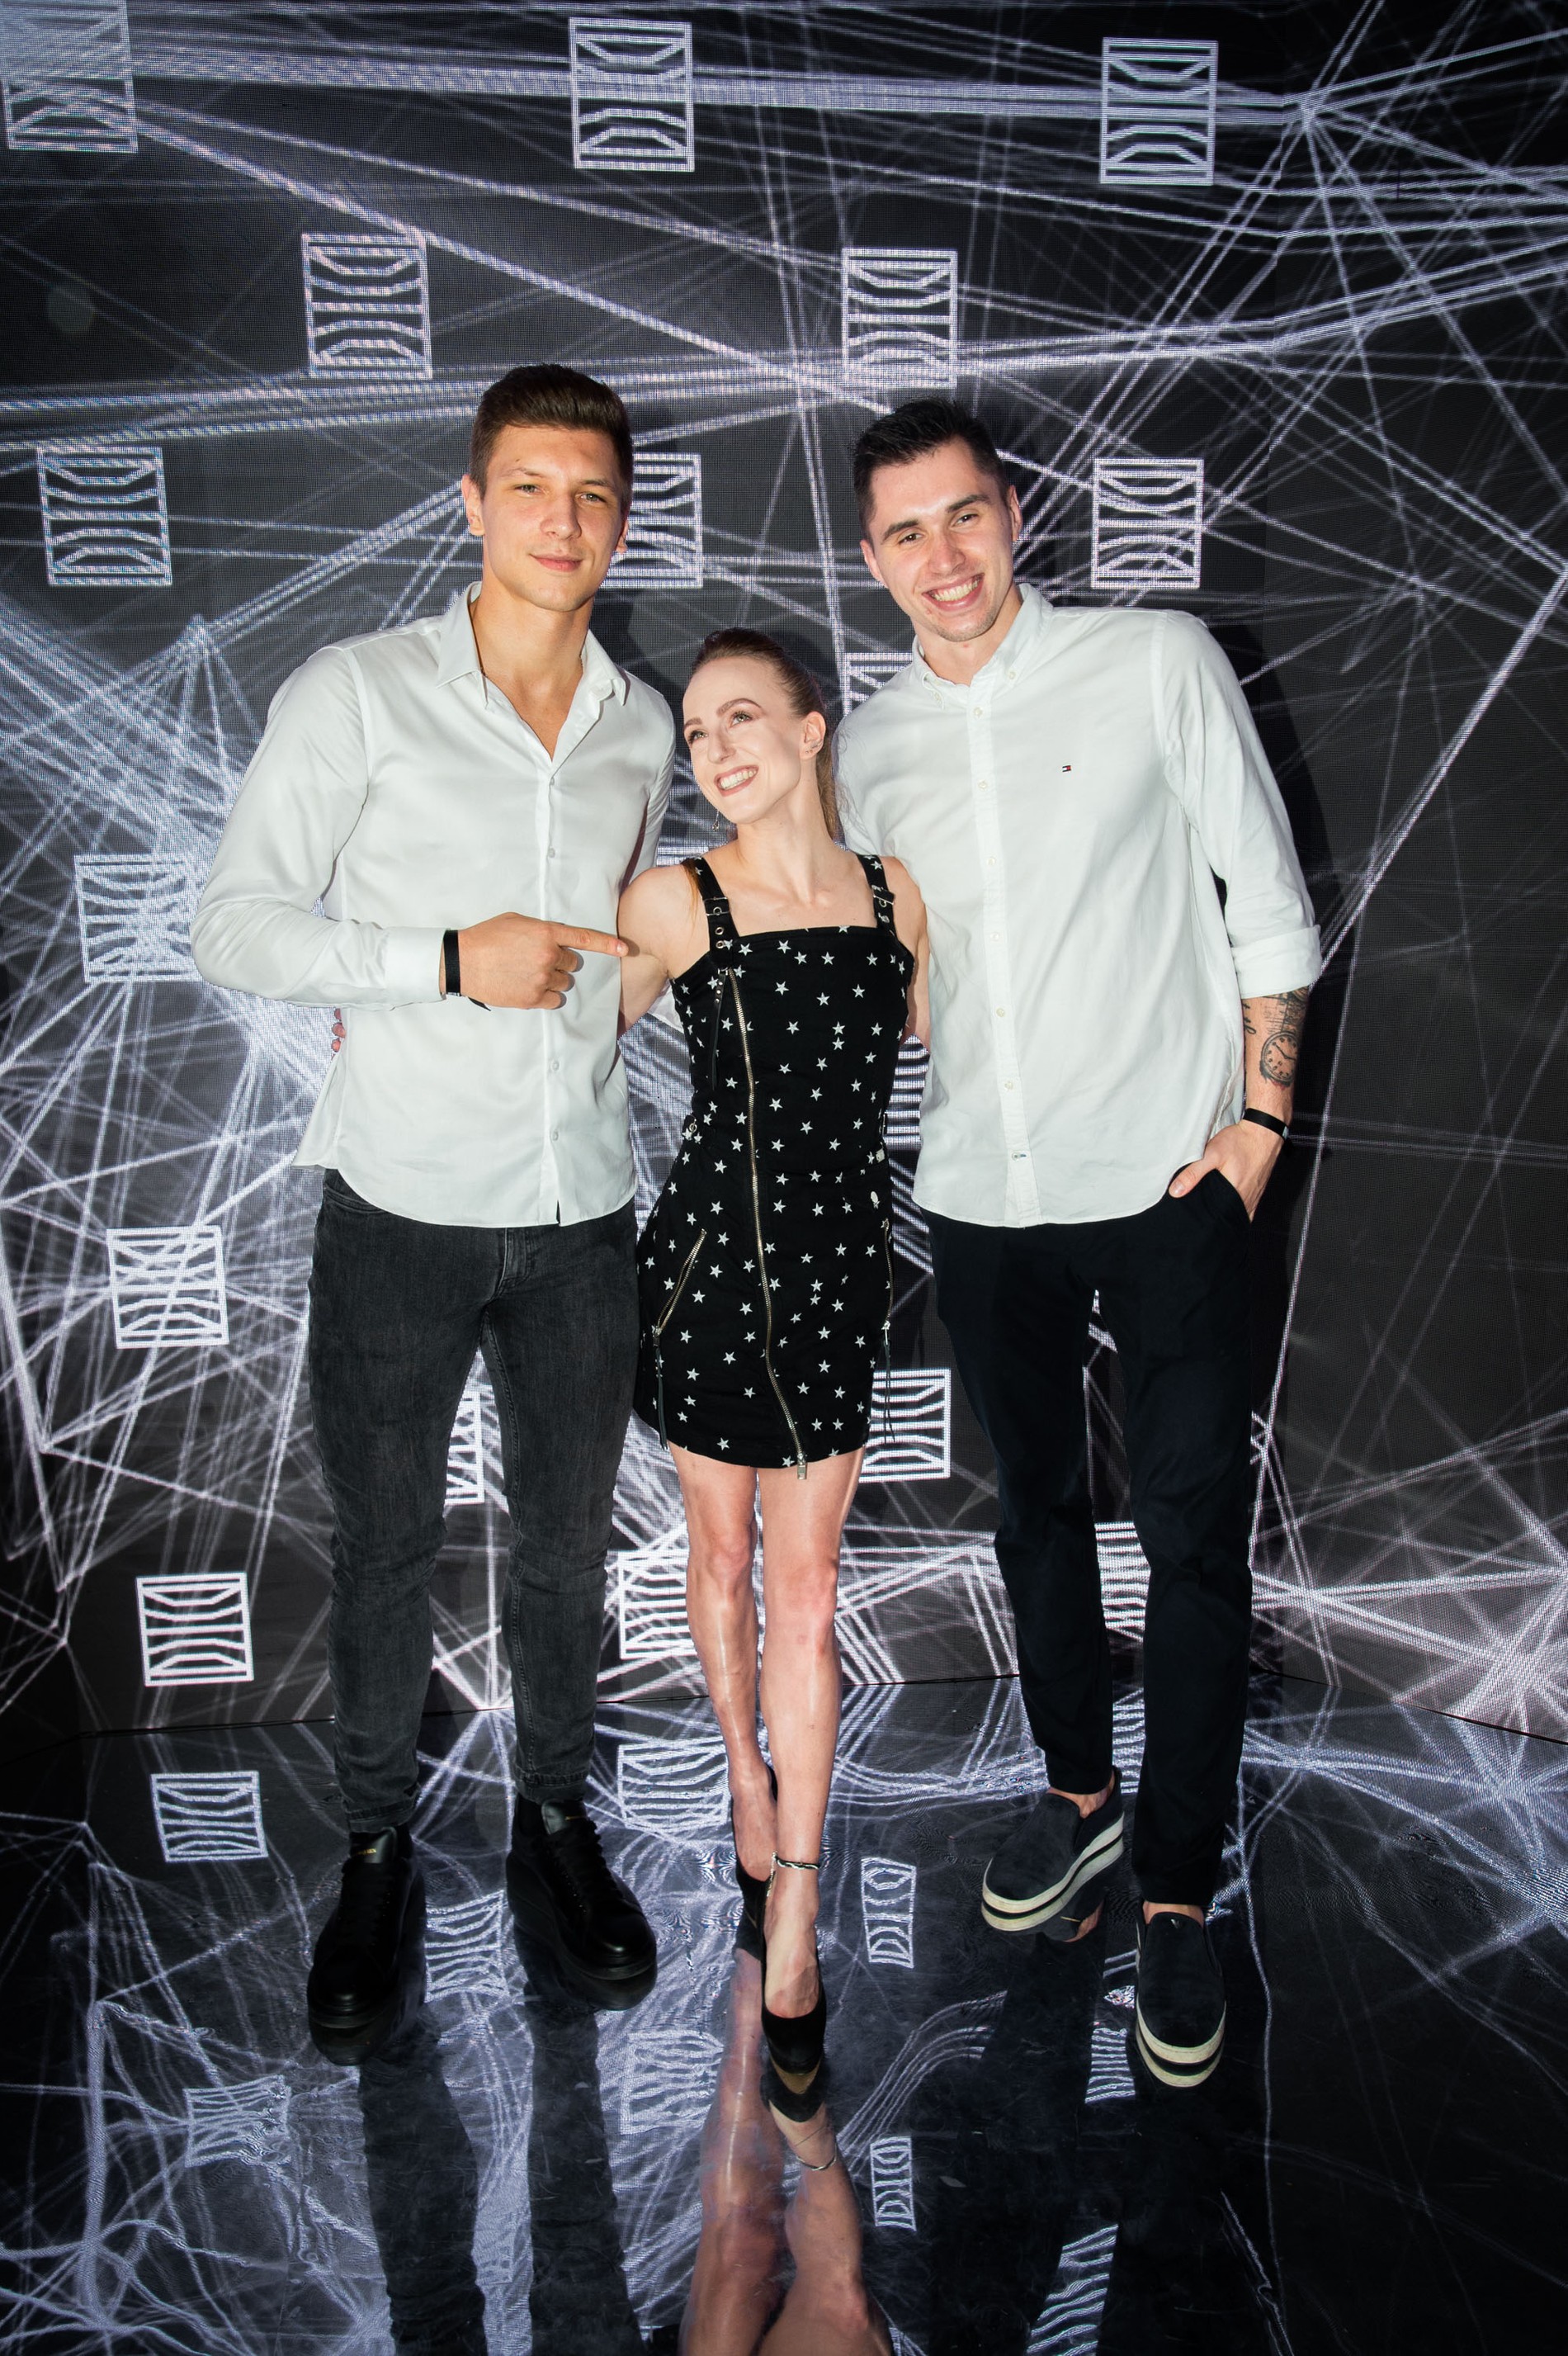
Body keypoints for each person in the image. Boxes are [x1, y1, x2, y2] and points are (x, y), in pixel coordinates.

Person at [835, 396, 1320, 2090]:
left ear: (1015, 513)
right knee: (1033, 1515)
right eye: (906, 532)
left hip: (1172, 1177)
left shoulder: (1153, 663)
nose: (943, 556)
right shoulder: (867, 748)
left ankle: (1176, 1887)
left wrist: (1256, 1131)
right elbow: (899, 980)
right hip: (982, 1191)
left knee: (1188, 1538)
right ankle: (1077, 1795)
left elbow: (1268, 906)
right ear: (872, 556)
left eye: (964, 515)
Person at [191, 364, 674, 2041]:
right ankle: (376, 1851)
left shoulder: (642, 724)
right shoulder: (358, 691)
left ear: (622, 521)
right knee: (386, 1546)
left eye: (591, 494)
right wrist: (444, 959)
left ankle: (554, 1822)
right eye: (528, 487)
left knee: (565, 1546)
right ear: (471, 504)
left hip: (581, 1206)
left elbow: (620, 945)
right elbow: (236, 925)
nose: (561, 520)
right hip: (397, 1202)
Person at [616, 628, 927, 2093]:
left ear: (812, 730)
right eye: (696, 733)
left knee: (808, 1594)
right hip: (704, 1269)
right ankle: (746, 1770)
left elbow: (971, 1038)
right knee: (721, 1562)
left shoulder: (897, 896)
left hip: (838, 1276)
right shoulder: (673, 900)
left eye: (743, 717)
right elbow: (547, 1036)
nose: (717, 749)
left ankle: (794, 1901)